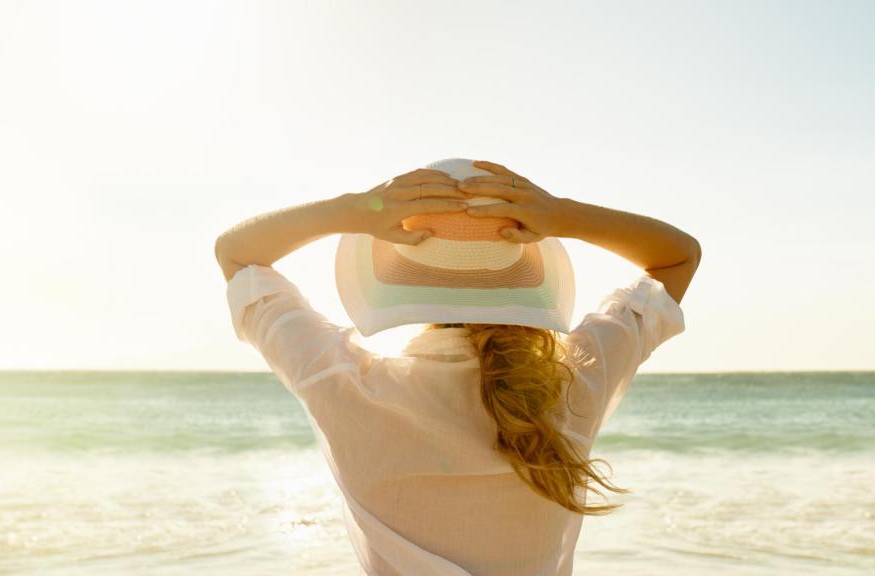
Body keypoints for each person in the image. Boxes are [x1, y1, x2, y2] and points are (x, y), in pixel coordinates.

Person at [214, 158, 701, 576]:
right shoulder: (578, 378)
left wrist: (356, 210)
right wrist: (562, 216)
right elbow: (677, 258)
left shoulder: (341, 383)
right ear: (527, 279)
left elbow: (238, 256)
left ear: (401, 282)